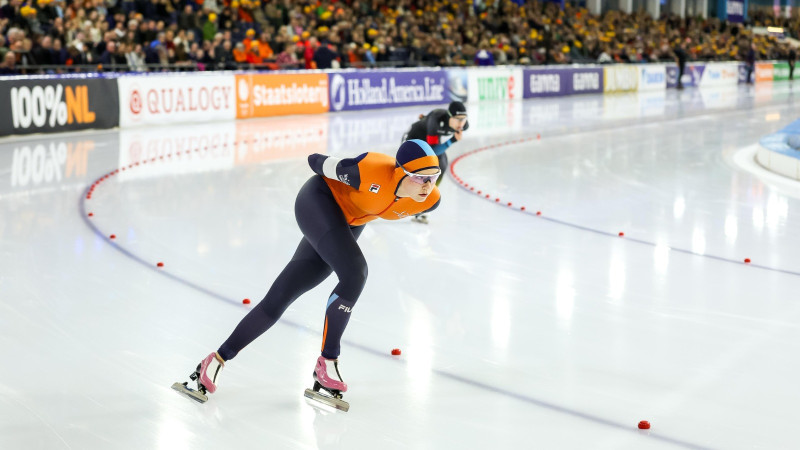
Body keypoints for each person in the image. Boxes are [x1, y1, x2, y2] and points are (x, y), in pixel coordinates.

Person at [173, 140, 443, 410]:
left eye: (433, 178)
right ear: (399, 173)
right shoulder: (368, 170)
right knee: (355, 273)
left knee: (283, 294)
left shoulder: (429, 201)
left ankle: (215, 361)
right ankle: (328, 362)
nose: (427, 186)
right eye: (420, 178)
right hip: (318, 202)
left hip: (348, 222)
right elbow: (316, 161)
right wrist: (339, 171)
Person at [401, 101, 468, 224]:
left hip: (429, 140)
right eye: (458, 120)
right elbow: (433, 151)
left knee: (441, 164)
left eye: (464, 119)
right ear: (449, 117)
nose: (461, 124)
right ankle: (404, 199)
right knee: (416, 171)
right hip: (414, 138)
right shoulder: (437, 121)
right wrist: (452, 140)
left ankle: (423, 202)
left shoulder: (463, 124)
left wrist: (424, 118)